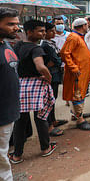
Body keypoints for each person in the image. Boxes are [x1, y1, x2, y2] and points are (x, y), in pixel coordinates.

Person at [10, 20, 57, 164]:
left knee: (21, 120)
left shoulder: (18, 46)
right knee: (41, 117)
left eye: (44, 31)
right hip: (35, 84)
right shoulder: (36, 49)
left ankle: (17, 154)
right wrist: (48, 77)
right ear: (29, 32)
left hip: (21, 84)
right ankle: (45, 148)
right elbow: (41, 67)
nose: (43, 33)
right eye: (40, 31)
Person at [60, 18, 90, 130]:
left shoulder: (78, 37)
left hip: (81, 73)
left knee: (80, 93)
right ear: (83, 26)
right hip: (76, 73)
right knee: (77, 94)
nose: (87, 27)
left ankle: (78, 113)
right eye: (86, 25)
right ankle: (79, 119)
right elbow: (64, 53)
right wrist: (73, 68)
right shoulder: (73, 37)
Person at [0, 8, 20, 179]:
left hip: (9, 112)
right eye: (10, 24)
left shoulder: (6, 44)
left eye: (17, 24)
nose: (16, 28)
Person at [41, 23, 67, 137]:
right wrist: (58, 58)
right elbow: (56, 59)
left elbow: (57, 57)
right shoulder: (45, 45)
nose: (54, 33)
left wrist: (58, 58)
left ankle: (53, 120)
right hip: (52, 73)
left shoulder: (51, 43)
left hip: (55, 72)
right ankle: (49, 124)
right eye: (51, 31)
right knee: (50, 99)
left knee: (53, 98)